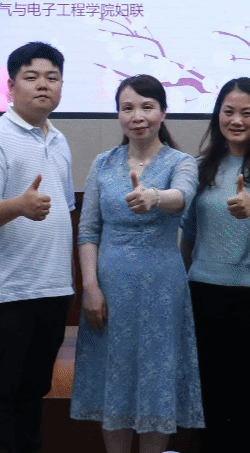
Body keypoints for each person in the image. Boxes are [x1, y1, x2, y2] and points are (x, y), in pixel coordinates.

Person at [69, 74, 203, 453]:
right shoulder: (103, 163)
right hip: (109, 290)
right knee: (114, 379)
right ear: (118, 114)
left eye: (147, 107)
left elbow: (183, 196)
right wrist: (90, 288)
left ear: (163, 112)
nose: (137, 116)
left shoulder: (181, 162)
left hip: (162, 290)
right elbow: (88, 231)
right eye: (127, 108)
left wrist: (154, 197)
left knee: (157, 379)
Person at [0, 41, 74, 453]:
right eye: (31, 77)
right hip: (10, 291)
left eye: (52, 77)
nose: (43, 85)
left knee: (35, 391)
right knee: (3, 393)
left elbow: (64, 209)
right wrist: (19, 206)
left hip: (54, 287)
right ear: (11, 87)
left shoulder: (59, 139)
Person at [180, 76, 250, 453]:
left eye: (247, 112)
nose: (237, 120)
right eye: (229, 111)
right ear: (218, 116)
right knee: (210, 392)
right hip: (204, 293)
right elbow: (189, 232)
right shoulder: (200, 167)